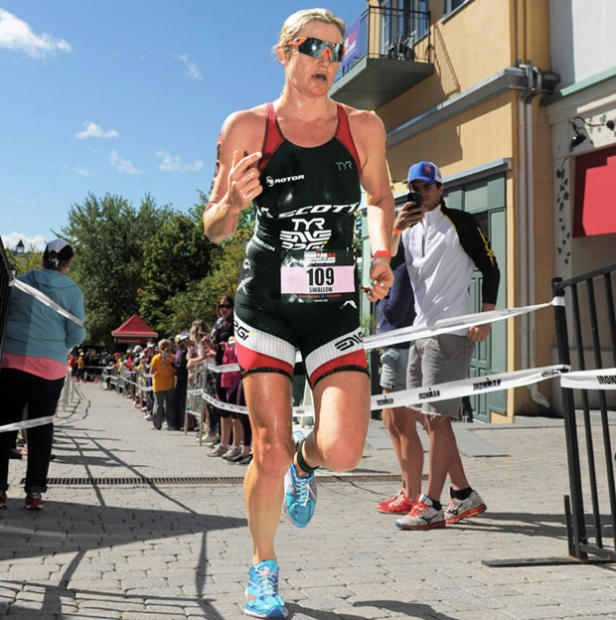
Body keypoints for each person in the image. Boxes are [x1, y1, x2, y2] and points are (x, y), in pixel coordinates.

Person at [202, 9, 394, 617]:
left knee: (343, 449)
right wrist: (232, 204)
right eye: (314, 47)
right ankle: (263, 569)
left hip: (333, 306)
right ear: (285, 52)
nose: (326, 60)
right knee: (269, 448)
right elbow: (213, 227)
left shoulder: (362, 126)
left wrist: (381, 254)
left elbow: (380, 197)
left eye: (337, 51)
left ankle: (305, 468)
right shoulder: (246, 127)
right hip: (268, 306)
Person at [390, 161, 500, 531]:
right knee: (425, 416)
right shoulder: (407, 229)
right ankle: (464, 492)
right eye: (413, 187)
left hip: (451, 332)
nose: (419, 192)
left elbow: (491, 267)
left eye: (425, 186)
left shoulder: (461, 223)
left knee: (437, 417)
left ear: (440, 188)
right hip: (420, 330)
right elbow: (385, 268)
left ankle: (432, 504)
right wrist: (395, 230)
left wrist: (485, 316)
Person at [0, 239, 86, 510]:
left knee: (4, 424)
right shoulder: (73, 291)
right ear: (69, 263)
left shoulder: (20, 282)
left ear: (42, 258)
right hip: (49, 367)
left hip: (12, 360)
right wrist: (59, 345)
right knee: (41, 426)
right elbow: (77, 332)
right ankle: (35, 492)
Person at [374, 262, 424, 514]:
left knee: (404, 427)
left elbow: (394, 313)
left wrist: (378, 298)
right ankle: (406, 489)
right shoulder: (399, 272)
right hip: (393, 353)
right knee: (392, 425)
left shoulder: (403, 272)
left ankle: (413, 494)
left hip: (401, 352)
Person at [148, 339, 177, 430]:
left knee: (158, 404)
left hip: (158, 384)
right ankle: (170, 424)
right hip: (170, 384)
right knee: (170, 404)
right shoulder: (173, 357)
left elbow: (151, 371)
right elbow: (176, 369)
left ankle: (157, 425)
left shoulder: (156, 358)